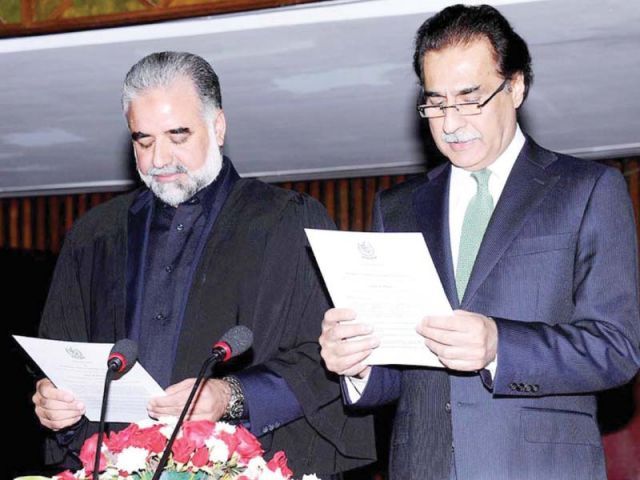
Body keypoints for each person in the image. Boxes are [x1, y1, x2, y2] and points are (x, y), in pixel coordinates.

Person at [319, 4, 640, 479]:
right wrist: (357, 362)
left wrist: (499, 346)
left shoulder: (588, 189)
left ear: (516, 87)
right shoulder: (398, 206)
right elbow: (399, 367)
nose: (450, 122)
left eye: (470, 99)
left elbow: (616, 349)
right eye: (436, 103)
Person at [32, 51, 375, 476]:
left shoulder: (287, 221)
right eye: (143, 140)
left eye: (177, 135)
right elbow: (63, 363)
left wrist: (229, 395)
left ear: (218, 127)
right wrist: (56, 408)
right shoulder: (94, 236)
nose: (159, 159)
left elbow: (327, 360)